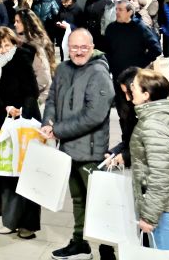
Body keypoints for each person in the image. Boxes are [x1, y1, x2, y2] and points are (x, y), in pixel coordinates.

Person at [41, 29, 115, 260]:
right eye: (74, 47)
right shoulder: (63, 69)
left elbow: (94, 115)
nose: (79, 51)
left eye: (84, 47)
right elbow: (52, 98)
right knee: (78, 200)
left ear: (92, 47)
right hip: (68, 150)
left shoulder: (99, 73)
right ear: (67, 47)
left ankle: (107, 248)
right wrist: (48, 122)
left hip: (90, 152)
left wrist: (58, 130)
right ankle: (80, 242)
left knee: (100, 203)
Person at [0, 27, 43, 240]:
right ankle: (10, 221)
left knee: (26, 174)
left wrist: (20, 109)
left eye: (7, 44)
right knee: (7, 173)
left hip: (25, 122)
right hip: (5, 121)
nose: (3, 49)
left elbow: (32, 91)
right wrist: (5, 107)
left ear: (13, 43)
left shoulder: (21, 59)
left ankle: (28, 224)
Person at [128, 68, 169, 251]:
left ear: (146, 94)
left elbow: (160, 176)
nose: (130, 89)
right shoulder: (166, 113)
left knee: (164, 254)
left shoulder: (154, 125)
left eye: (134, 86)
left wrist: (149, 217)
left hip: (165, 206)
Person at [104, 0, 161, 83]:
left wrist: (141, 63)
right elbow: (107, 49)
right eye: (116, 9)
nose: (117, 12)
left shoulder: (139, 27)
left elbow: (156, 49)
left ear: (129, 12)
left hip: (135, 74)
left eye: (120, 10)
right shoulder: (111, 28)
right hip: (117, 74)